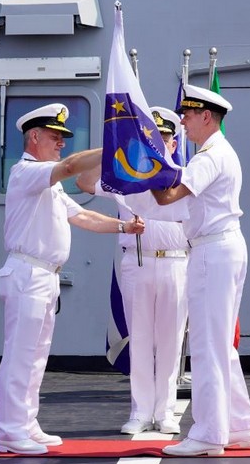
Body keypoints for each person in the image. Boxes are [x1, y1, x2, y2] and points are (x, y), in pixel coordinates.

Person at [0, 102, 145, 455]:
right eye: (55, 136)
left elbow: (83, 217)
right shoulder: (26, 172)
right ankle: (10, 432)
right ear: (34, 137)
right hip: (28, 273)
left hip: (44, 276)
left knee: (36, 358)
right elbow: (71, 166)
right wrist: (115, 145)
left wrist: (124, 226)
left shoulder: (47, 182)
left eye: (63, 137)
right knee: (20, 355)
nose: (62, 142)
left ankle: (26, 424)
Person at [151, 84, 250, 457]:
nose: (183, 122)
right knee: (220, 343)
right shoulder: (220, 151)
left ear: (206, 116)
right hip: (223, 247)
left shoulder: (208, 157)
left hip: (213, 252)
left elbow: (167, 196)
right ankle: (239, 427)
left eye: (188, 115)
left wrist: (146, 164)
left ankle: (209, 434)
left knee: (207, 344)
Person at [78, 107, 190, 436]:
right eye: (149, 138)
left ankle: (165, 411)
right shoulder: (125, 175)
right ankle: (140, 411)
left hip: (175, 262)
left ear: (173, 144)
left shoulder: (185, 176)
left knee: (171, 340)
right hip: (137, 261)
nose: (156, 144)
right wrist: (112, 149)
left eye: (163, 138)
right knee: (139, 338)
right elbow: (83, 181)